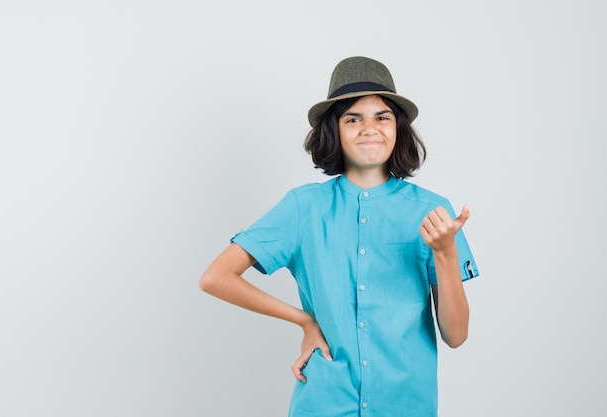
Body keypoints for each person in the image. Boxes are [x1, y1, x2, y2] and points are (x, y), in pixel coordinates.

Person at [199, 56, 480, 417]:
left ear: (398, 128)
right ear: (335, 129)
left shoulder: (431, 211)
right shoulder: (304, 207)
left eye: (382, 117)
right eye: (353, 118)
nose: (369, 128)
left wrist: (444, 253)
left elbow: (456, 336)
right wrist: (304, 320)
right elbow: (215, 278)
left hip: (407, 405)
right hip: (324, 404)